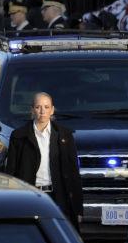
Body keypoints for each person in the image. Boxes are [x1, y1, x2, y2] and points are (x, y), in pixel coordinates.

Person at [5, 92, 82, 229]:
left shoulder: (64, 136)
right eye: (38, 107)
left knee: (59, 235)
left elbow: (73, 173)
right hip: (30, 195)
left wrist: (77, 208)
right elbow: (11, 172)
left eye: (46, 107)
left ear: (52, 110)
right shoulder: (19, 136)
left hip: (57, 196)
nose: (42, 111)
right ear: (32, 110)